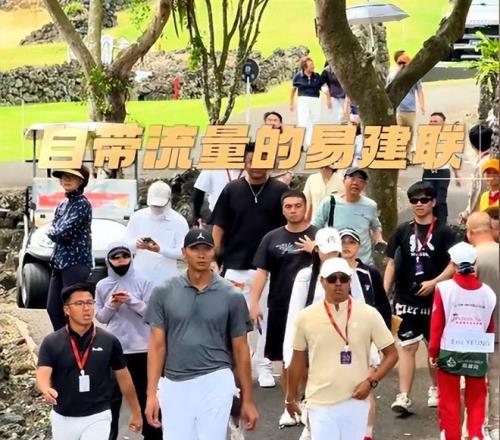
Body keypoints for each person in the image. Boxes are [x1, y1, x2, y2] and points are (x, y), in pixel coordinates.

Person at [144, 229, 259, 439]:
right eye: (195, 249)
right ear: (183, 252)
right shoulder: (163, 292)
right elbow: (157, 345)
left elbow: (241, 349)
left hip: (216, 380)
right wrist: (152, 393)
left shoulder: (231, 295)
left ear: (213, 252)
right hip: (174, 382)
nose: (201, 254)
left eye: (206, 248)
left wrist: (248, 400)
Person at [286, 258, 398, 440]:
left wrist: (371, 382)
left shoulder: (369, 314)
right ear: (322, 282)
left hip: (356, 401)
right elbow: (297, 360)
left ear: (350, 281)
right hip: (319, 402)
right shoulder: (305, 317)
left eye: (343, 278)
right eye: (332, 279)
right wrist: (290, 397)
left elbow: (392, 354)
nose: (338, 283)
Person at [209, 143, 288, 388]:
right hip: (235, 265)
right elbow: (218, 226)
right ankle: (232, 368)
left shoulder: (280, 190)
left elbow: (289, 226)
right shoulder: (232, 190)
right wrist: (213, 258)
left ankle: (263, 365)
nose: (255, 166)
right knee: (232, 319)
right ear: (244, 162)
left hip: (269, 268)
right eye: (251, 160)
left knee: (265, 318)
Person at [385, 181, 457, 414]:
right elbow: (391, 263)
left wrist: (435, 282)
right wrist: (384, 292)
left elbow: (455, 263)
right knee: (407, 346)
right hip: (406, 298)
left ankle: (435, 388)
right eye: (414, 200)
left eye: (424, 200)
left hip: (436, 299)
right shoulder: (402, 230)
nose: (419, 204)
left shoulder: (445, 232)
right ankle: (403, 396)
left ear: (433, 202)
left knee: (433, 346)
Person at [36, 282, 142, 440]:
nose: (86, 308)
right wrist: (46, 389)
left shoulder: (109, 341)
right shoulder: (52, 342)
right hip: (63, 417)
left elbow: (124, 376)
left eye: (90, 302)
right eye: (79, 303)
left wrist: (136, 411)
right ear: (67, 309)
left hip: (99, 415)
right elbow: (43, 373)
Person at [249, 189, 317, 428]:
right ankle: (290, 405)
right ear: (282, 209)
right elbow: (261, 272)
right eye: (288, 206)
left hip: (313, 308)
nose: (293, 210)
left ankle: (309, 403)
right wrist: (254, 302)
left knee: (310, 360)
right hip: (280, 306)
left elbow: (335, 263)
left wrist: (316, 250)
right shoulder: (272, 237)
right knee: (286, 359)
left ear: (305, 207)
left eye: (298, 205)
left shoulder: (318, 235)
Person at [429, 242, 496, 440]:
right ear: (475, 263)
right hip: (478, 348)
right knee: (477, 397)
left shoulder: (444, 289)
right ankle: (475, 434)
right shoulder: (488, 292)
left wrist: (433, 351)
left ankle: (451, 435)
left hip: (449, 349)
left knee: (449, 400)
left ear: (453, 264)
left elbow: (437, 323)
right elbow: (489, 326)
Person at [95, 242, 162, 440]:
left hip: (142, 350)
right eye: (115, 257)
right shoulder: (102, 285)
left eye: (125, 256)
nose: (121, 261)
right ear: (108, 260)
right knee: (111, 400)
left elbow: (152, 314)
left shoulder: (144, 282)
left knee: (146, 397)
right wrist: (112, 304)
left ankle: (153, 436)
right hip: (114, 351)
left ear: (131, 257)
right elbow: (101, 317)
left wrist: (130, 300)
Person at [466, 212, 500, 439]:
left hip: (478, 331)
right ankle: (495, 425)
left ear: (470, 232)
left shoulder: (471, 258)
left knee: (477, 381)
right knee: (497, 380)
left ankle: (479, 427)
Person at [46, 166, 92, 331]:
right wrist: (53, 231)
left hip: (76, 263)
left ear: (81, 181)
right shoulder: (62, 204)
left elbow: (61, 232)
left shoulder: (82, 204)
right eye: (64, 176)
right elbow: (55, 228)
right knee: (53, 308)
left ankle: (78, 343)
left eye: (72, 176)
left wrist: (52, 232)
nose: (66, 179)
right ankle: (63, 342)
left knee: (73, 311)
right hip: (59, 262)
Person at [312, 167, 386, 265]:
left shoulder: (370, 205)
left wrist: (379, 239)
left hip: (362, 261)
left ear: (364, 185)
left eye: (360, 180)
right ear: (344, 181)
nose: (355, 183)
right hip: (334, 261)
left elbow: (376, 226)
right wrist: (314, 243)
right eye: (352, 178)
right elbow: (316, 226)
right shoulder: (330, 202)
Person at [125, 180, 189, 288]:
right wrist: (137, 244)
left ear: (169, 201)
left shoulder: (179, 221)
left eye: (160, 205)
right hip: (139, 277)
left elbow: (183, 252)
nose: (156, 208)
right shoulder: (138, 217)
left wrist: (160, 249)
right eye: (154, 205)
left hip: (166, 280)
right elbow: (125, 245)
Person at [421, 111, 461, 225]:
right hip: (428, 172)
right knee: (427, 199)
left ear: (443, 123)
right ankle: (428, 223)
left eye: (436, 121)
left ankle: (442, 223)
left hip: (442, 172)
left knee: (440, 200)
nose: (432, 123)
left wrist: (457, 175)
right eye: (431, 121)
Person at [386, 53, 425, 160]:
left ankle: (406, 155)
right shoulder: (392, 76)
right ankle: (397, 154)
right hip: (397, 109)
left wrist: (422, 105)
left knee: (409, 133)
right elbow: (387, 90)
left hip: (410, 109)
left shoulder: (414, 76)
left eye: (405, 63)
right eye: (400, 63)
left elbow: (419, 91)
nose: (402, 65)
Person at [290, 56, 331, 150]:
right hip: (303, 100)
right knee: (304, 121)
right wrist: (291, 103)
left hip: (315, 100)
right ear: (305, 67)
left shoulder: (317, 76)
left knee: (314, 121)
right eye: (311, 65)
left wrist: (328, 98)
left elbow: (324, 88)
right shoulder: (298, 77)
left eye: (313, 64)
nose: (313, 66)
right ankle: (305, 144)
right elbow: (293, 90)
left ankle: (312, 142)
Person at [459, 124, 493, 222]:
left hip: (486, 212)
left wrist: (468, 214)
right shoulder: (492, 158)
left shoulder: (482, 164)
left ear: (472, 145)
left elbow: (477, 192)